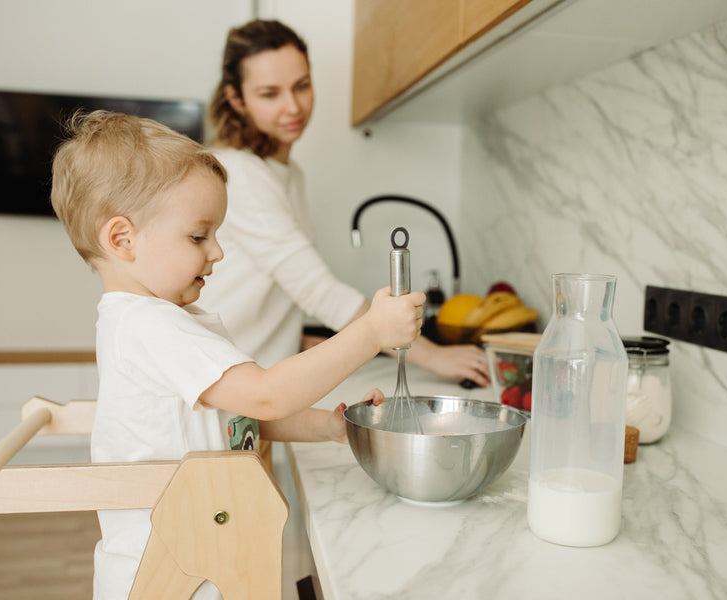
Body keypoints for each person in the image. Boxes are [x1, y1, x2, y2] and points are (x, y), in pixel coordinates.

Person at [50, 110, 424, 600]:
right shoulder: (151, 325)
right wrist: (371, 330)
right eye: (198, 236)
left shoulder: (151, 320)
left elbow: (231, 417)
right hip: (172, 572)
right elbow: (265, 397)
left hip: (194, 556)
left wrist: (324, 426)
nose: (218, 252)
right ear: (122, 239)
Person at [202, 19, 490, 386]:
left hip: (249, 377)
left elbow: (271, 285)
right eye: (270, 94)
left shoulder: (285, 173)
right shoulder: (239, 175)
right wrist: (432, 355)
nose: (293, 106)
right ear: (236, 98)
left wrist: (298, 340)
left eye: (301, 86)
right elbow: (317, 290)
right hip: (226, 386)